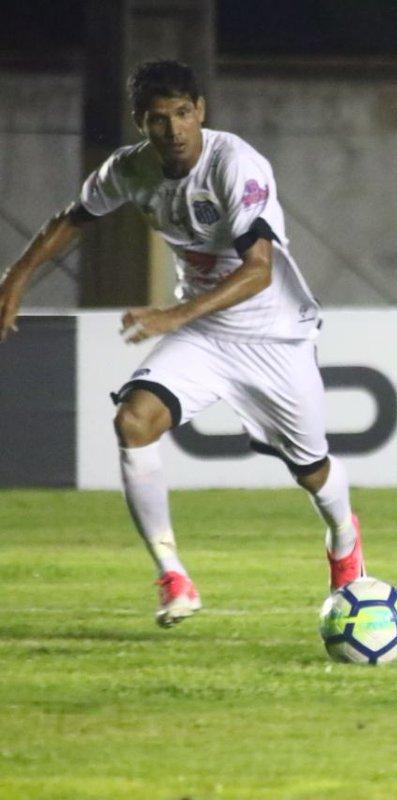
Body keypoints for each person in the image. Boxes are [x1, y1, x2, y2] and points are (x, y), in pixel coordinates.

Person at [0, 61, 364, 627]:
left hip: (274, 335)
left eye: (182, 114)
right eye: (157, 118)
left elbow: (259, 271)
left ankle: (344, 540)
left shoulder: (235, 165)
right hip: (204, 333)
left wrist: (173, 314)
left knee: (311, 468)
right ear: (140, 122)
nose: (172, 130)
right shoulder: (129, 169)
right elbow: (73, 218)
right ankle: (173, 577)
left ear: (202, 112)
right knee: (133, 422)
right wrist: (15, 279)